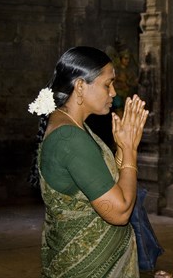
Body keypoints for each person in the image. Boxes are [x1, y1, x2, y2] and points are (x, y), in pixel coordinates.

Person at [28, 46, 148, 277]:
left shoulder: (70, 125)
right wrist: (131, 150)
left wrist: (122, 146)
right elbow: (120, 212)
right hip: (89, 267)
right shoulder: (69, 138)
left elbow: (106, 181)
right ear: (81, 86)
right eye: (107, 84)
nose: (113, 92)